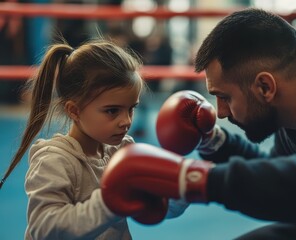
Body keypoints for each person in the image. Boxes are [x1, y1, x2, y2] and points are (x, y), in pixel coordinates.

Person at [98, 8, 296, 240]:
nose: (220, 112)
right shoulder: (294, 101)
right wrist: (215, 142)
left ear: (265, 86)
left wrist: (192, 179)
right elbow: (278, 177)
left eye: (224, 97)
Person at [0, 38, 183, 239]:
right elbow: (44, 228)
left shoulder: (123, 151)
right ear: (74, 110)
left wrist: (181, 183)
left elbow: (161, 207)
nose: (126, 121)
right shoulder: (55, 161)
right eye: (112, 111)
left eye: (131, 109)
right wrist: (108, 203)